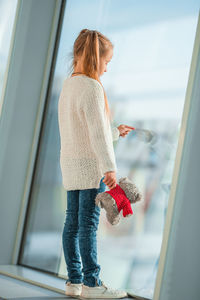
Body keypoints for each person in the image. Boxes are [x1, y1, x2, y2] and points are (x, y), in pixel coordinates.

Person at [58, 28, 134, 298]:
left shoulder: (69, 85)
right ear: (94, 57)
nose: (106, 68)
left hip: (70, 165)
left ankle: (74, 282)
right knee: (88, 225)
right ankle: (92, 284)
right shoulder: (91, 87)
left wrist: (115, 132)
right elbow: (97, 135)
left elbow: (84, 131)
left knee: (72, 224)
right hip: (90, 168)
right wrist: (109, 168)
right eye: (106, 61)